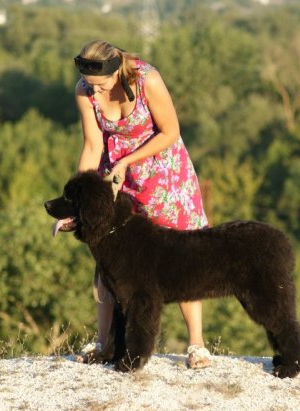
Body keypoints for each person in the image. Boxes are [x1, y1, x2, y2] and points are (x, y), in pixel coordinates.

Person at [73, 39, 211, 369]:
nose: (95, 91)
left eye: (101, 84)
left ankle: (197, 344)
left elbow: (171, 132)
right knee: (109, 255)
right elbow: (93, 145)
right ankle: (104, 343)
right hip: (119, 181)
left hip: (165, 176)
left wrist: (128, 160)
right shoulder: (84, 90)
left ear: (115, 70)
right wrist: (81, 195)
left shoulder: (147, 79)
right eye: (90, 85)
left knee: (181, 256)